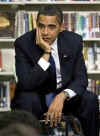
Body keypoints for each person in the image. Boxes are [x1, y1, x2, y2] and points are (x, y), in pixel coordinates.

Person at [11, 5, 99, 136]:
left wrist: (63, 96)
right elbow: (26, 83)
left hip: (64, 97)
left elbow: (81, 79)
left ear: (61, 27)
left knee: (90, 100)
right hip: (37, 95)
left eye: (51, 27)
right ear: (36, 24)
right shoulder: (23, 43)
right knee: (26, 99)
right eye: (41, 26)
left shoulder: (73, 41)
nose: (45, 32)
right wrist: (46, 53)